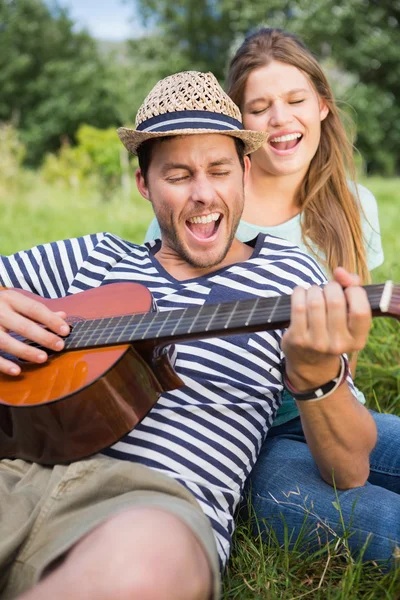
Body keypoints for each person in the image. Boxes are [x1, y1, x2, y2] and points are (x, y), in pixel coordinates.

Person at [0, 70, 381, 599]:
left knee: (152, 562)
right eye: (177, 175)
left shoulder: (291, 280)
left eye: (219, 170)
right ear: (143, 184)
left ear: (245, 172)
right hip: (14, 471)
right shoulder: (93, 257)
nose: (204, 195)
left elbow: (349, 469)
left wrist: (316, 376)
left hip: (147, 506)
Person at [144, 29, 400, 566]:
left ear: (324, 107)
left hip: (326, 408)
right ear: (240, 128)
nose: (281, 118)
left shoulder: (353, 205)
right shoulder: (202, 208)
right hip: (233, 429)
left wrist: (327, 359)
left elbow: (344, 361)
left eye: (296, 100)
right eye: (259, 107)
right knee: (381, 524)